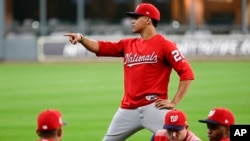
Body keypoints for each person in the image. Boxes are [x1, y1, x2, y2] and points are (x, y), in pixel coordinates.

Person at [64, 2, 194, 141]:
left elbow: (187, 73)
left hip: (154, 107)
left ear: (148, 20)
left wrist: (174, 102)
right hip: (127, 110)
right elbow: (100, 47)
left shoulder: (165, 45)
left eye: (136, 17)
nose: (132, 21)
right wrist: (82, 38)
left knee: (182, 137)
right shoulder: (127, 44)